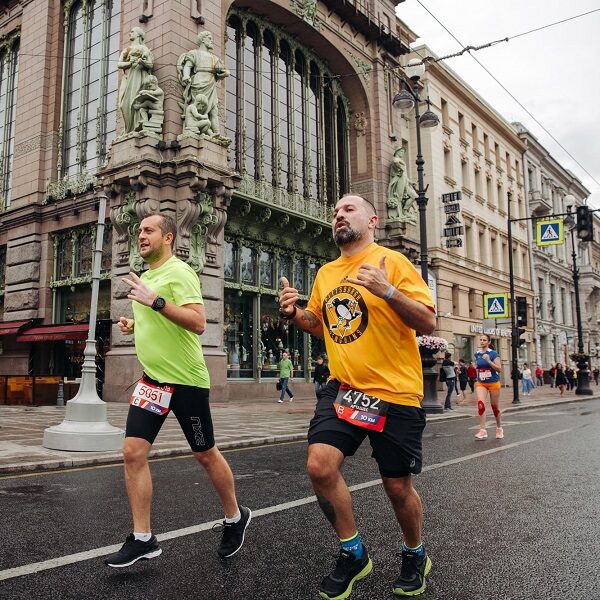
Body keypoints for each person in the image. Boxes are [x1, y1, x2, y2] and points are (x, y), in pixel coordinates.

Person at [279, 194, 436, 598]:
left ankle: (414, 552)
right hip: (343, 389)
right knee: (319, 466)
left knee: (397, 486)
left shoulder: (393, 263)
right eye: (334, 212)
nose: (338, 216)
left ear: (373, 221)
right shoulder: (327, 273)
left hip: (395, 393)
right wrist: (294, 312)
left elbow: (426, 319)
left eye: (348, 210)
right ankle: (353, 554)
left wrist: (387, 291)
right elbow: (320, 323)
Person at [105, 213, 251, 568]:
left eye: (148, 230)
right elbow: (161, 322)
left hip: (185, 382)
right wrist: (135, 324)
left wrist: (154, 302)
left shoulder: (180, 272)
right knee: (132, 452)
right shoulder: (150, 277)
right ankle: (143, 539)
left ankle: (235, 516)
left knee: (205, 453)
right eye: (139, 230)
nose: (140, 235)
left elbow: (198, 322)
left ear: (167, 237)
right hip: (153, 382)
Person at [177, 31, 229, 136]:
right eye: (209, 38)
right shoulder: (194, 53)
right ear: (202, 40)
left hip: (211, 82)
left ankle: (217, 134)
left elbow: (220, 72)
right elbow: (188, 66)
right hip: (199, 81)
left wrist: (225, 73)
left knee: (214, 109)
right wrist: (186, 75)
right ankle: (197, 130)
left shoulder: (215, 58)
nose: (211, 40)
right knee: (198, 106)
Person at [118, 27, 155, 134]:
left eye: (132, 31)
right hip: (128, 78)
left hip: (139, 77)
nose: (130, 33)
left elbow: (151, 65)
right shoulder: (127, 50)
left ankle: (137, 126)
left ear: (139, 34)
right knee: (123, 104)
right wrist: (130, 63)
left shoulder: (145, 49)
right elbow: (119, 64)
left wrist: (141, 62)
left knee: (136, 101)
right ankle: (128, 129)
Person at [473, 333, 503, 440]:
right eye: (480, 339)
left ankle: (499, 428)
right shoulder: (477, 354)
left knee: (495, 407)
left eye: (484, 340)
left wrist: (489, 361)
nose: (481, 341)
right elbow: (478, 366)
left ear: (489, 342)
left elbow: (499, 369)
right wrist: (476, 366)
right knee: (481, 404)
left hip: (493, 383)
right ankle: (483, 430)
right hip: (481, 383)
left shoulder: (493, 354)